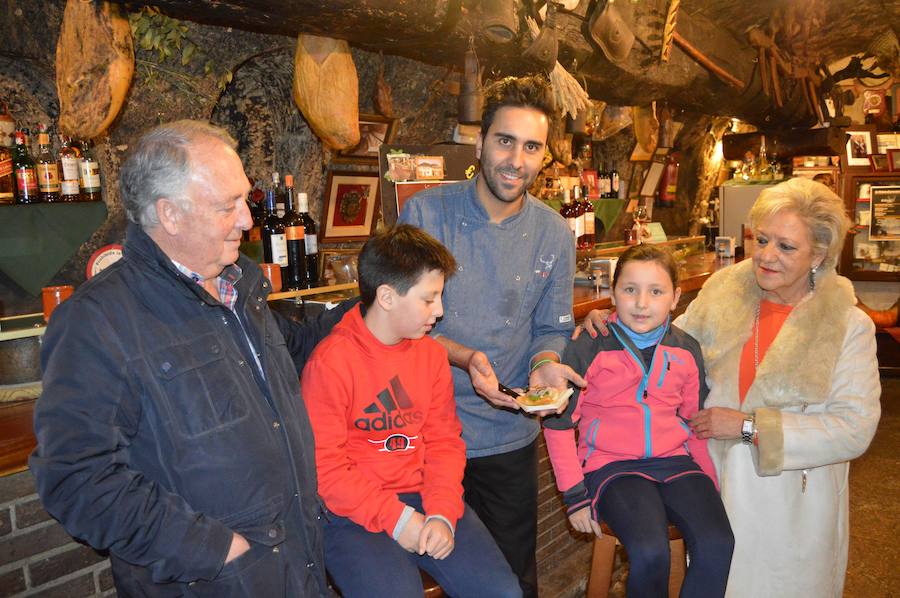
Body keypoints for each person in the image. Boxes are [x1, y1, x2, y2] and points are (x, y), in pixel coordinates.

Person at [30, 120, 353, 596]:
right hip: (211, 580)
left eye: (246, 200)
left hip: (296, 565)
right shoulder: (97, 321)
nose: (248, 220)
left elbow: (302, 346)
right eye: (228, 206)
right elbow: (76, 479)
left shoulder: (239, 289)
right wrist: (212, 549)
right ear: (170, 215)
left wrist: (382, 303)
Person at [398, 74, 586, 597]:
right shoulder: (425, 215)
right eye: (505, 141)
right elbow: (392, 326)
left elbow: (550, 327)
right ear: (478, 142)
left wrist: (545, 365)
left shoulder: (552, 232)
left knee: (512, 579)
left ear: (545, 156)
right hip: (427, 434)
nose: (516, 160)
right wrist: (464, 356)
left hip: (507, 434)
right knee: (430, 575)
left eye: (532, 147)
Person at [675, 177, 880, 596]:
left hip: (794, 511)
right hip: (717, 495)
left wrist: (750, 427)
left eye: (786, 247)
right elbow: (665, 353)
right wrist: (609, 332)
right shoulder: (723, 294)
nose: (766, 256)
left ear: (818, 254)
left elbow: (854, 428)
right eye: (761, 239)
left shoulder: (846, 325)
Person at [301, 224, 521, 598]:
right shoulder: (331, 363)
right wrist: (400, 520)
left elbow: (444, 443)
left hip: (424, 493)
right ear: (386, 297)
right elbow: (325, 470)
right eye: (428, 298)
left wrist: (441, 513)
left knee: (503, 592)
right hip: (348, 511)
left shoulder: (432, 355)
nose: (439, 310)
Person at [544, 245, 734, 598]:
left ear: (675, 298)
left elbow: (694, 424)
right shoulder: (589, 346)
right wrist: (574, 496)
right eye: (630, 290)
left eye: (656, 291)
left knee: (718, 542)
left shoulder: (686, 349)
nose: (642, 303)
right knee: (650, 550)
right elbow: (557, 423)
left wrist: (710, 484)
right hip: (612, 467)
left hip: (676, 463)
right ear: (613, 293)